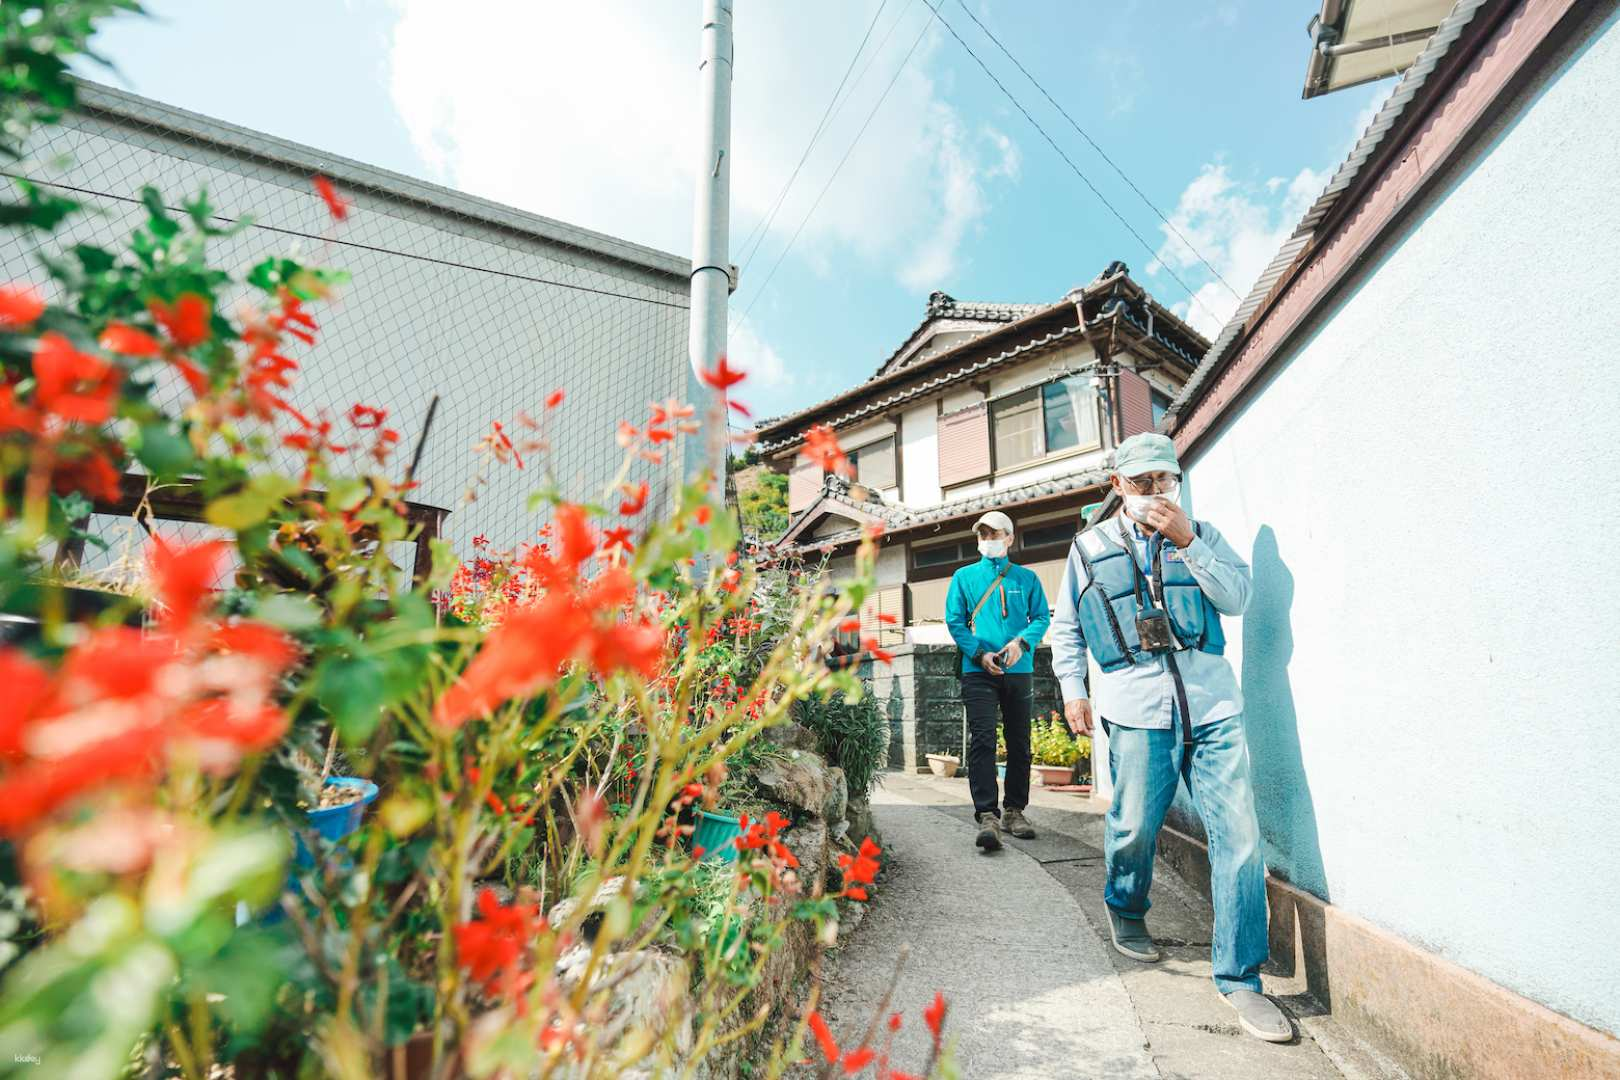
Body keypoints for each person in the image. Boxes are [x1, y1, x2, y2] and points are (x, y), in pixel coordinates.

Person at [1048, 432, 1292, 1044]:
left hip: (1213, 710)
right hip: (1136, 711)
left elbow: (1238, 597)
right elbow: (1068, 629)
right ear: (1118, 487)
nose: (1156, 492)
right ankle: (1126, 907)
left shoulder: (1200, 535)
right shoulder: (1088, 547)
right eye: (1142, 483)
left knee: (1238, 837)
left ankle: (1240, 978)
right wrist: (1073, 689)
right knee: (1134, 825)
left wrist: (1188, 543)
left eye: (1165, 480)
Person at [944, 511, 1051, 853]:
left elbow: (1042, 617)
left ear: (1009, 538)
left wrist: (1021, 643)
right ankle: (987, 814)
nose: (987, 539)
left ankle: (1015, 811)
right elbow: (955, 621)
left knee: (1019, 741)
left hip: (1019, 670)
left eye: (994, 534)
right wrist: (978, 654)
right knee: (983, 739)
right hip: (978, 671)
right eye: (982, 534)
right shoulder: (963, 577)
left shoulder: (1027, 578)